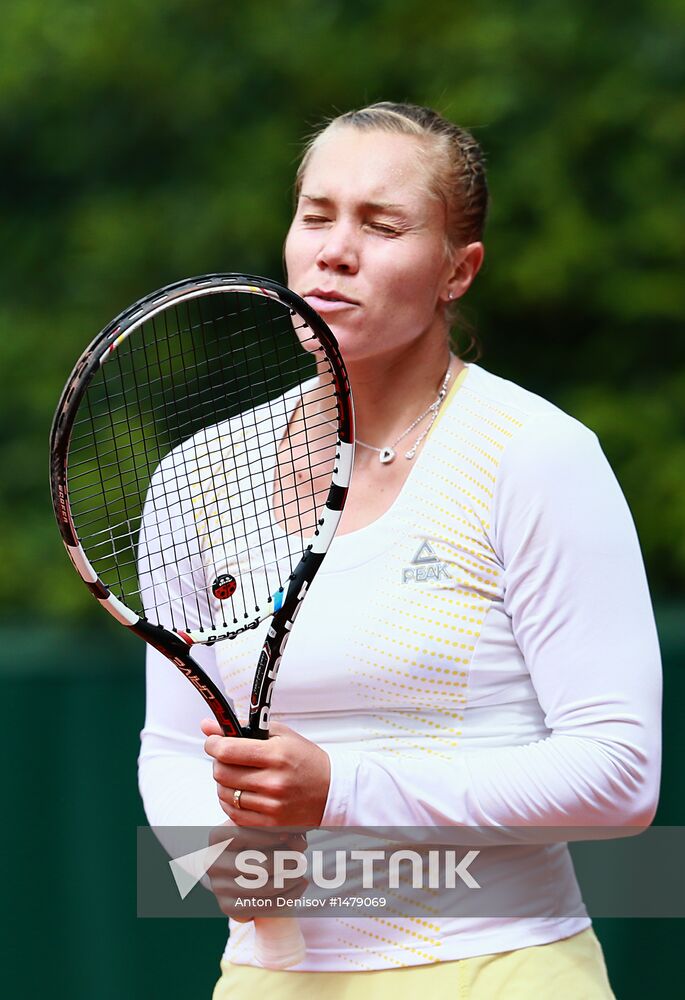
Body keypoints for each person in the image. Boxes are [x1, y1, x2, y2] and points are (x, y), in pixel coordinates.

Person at [139, 102, 662, 998]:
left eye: (382, 226)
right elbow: (176, 747)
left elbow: (619, 774)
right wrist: (220, 860)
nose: (335, 250)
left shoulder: (536, 456)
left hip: (501, 969)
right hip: (271, 976)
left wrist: (339, 789)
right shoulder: (195, 477)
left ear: (457, 272)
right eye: (316, 214)